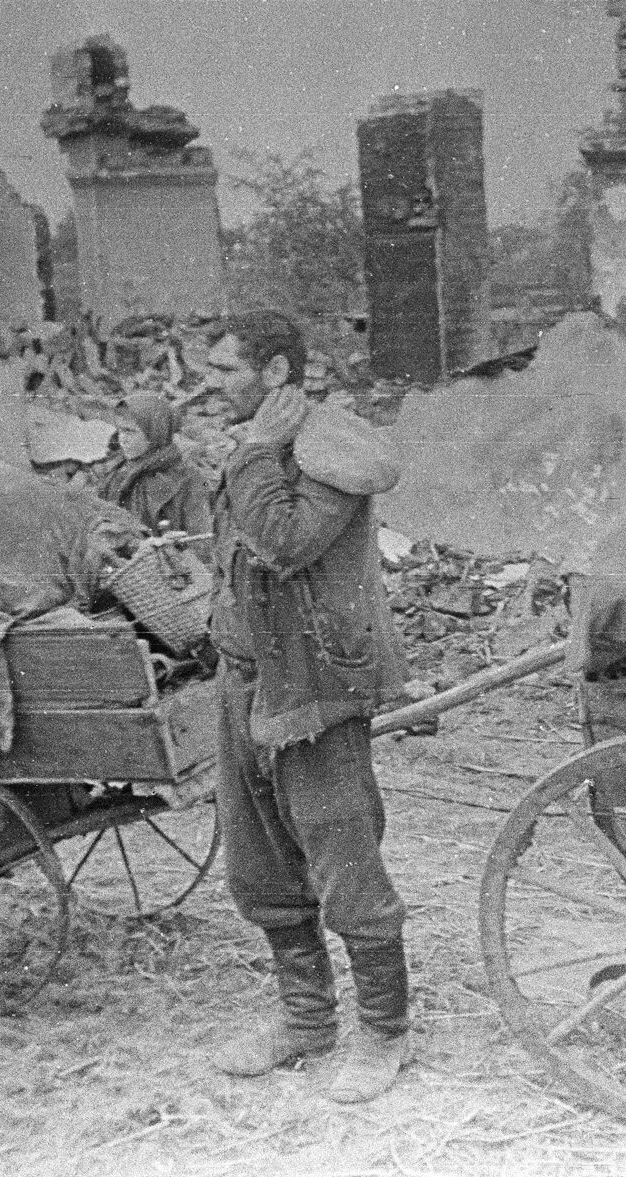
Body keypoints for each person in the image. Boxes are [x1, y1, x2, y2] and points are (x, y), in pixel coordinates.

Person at [205, 314, 415, 1104]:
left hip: (313, 685)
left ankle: (384, 1033)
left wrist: (258, 453)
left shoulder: (332, 449)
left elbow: (284, 541)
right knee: (259, 862)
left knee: (344, 858)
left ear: (276, 370)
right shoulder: (255, 446)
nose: (213, 381)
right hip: (245, 678)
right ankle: (305, 1020)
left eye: (227, 367)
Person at [99, 391, 213, 537]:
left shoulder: (189, 479)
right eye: (120, 431)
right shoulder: (117, 475)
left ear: (154, 433)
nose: (122, 439)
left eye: (130, 431)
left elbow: (201, 541)